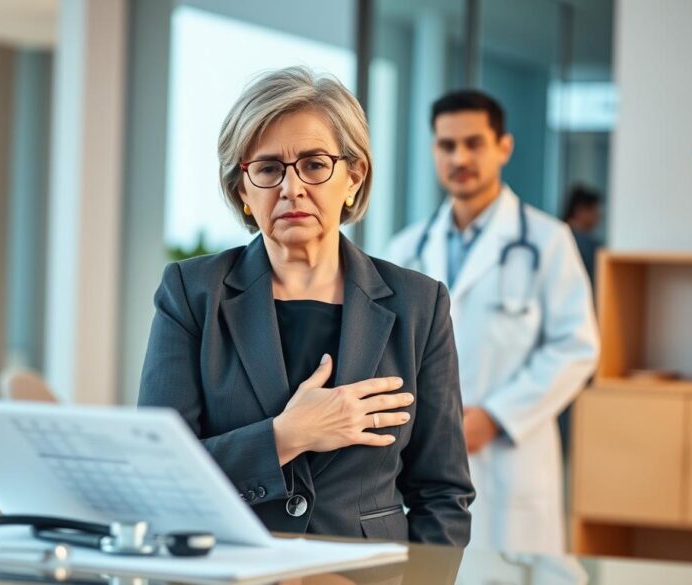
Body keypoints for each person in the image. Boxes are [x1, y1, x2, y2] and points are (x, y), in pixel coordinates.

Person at [139, 67, 474, 546]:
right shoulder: (192, 294)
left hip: (367, 574)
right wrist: (285, 435)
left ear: (353, 177)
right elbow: (157, 473)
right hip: (232, 567)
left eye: (315, 165)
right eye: (268, 169)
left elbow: (442, 494)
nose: (291, 188)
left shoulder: (420, 304)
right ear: (242, 189)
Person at [386, 89, 599, 554]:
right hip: (422, 462)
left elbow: (576, 346)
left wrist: (497, 417)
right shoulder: (405, 250)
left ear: (503, 147)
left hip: (510, 462)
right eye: (447, 145)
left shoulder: (547, 240)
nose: (459, 157)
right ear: (433, 150)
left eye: (474, 143)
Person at [561, 184, 603, 284]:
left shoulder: (556, 236)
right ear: (580, 210)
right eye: (594, 211)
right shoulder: (589, 246)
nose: (598, 216)